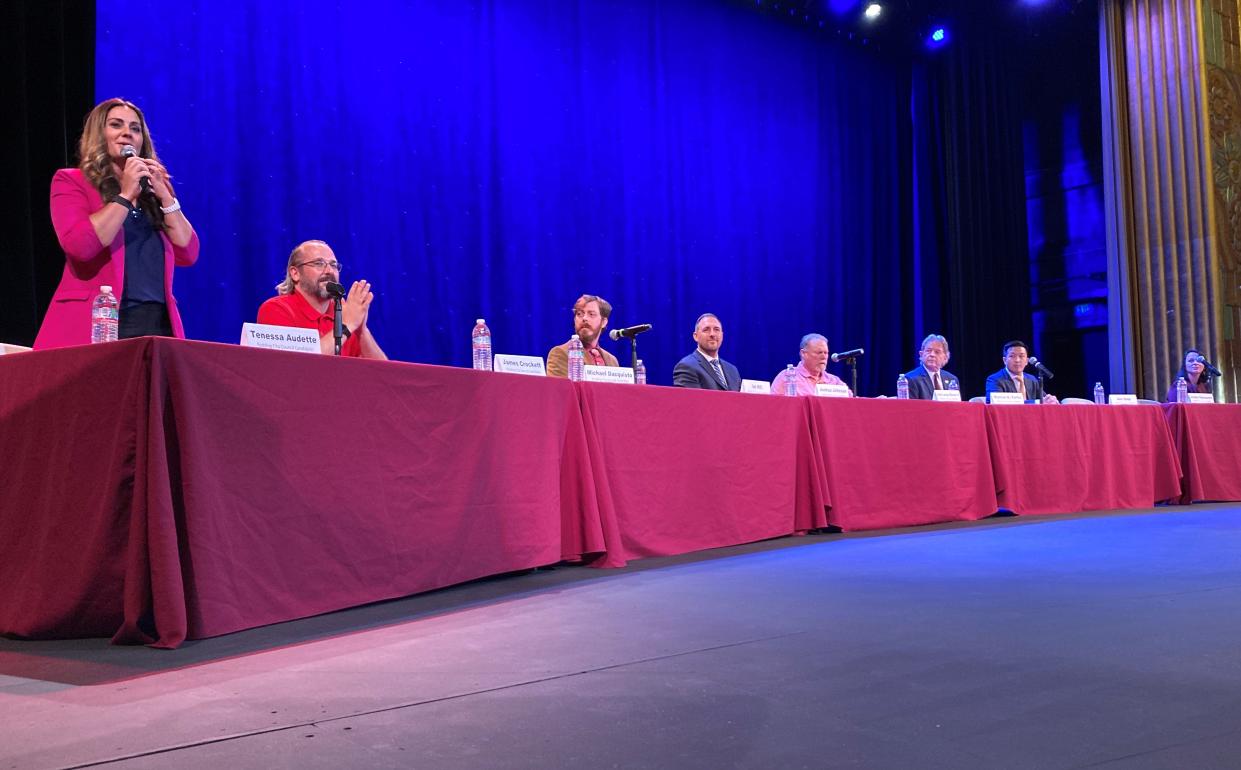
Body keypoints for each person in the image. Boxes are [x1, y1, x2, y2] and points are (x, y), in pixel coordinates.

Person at [35, 98, 199, 349]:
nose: (127, 133)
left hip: (157, 324)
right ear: (99, 134)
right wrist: (124, 196)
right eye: (116, 125)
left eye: (135, 129)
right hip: (101, 321)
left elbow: (188, 252)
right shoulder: (72, 182)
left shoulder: (153, 192)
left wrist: (166, 196)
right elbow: (80, 246)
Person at [257, 240, 387, 359]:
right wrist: (347, 325)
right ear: (295, 273)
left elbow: (384, 376)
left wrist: (361, 329)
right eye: (319, 263)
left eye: (334, 265)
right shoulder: (276, 309)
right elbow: (297, 365)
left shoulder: (343, 314)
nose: (329, 271)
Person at [547, 294, 619, 377]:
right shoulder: (560, 353)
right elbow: (562, 389)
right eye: (579, 314)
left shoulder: (612, 361)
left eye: (591, 314)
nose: (584, 318)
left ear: (603, 322)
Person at [673, 313, 741, 391]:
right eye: (706, 330)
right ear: (696, 336)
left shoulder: (732, 370)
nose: (712, 334)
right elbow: (691, 402)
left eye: (716, 329)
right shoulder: (686, 367)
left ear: (722, 335)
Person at [770, 334, 853, 396]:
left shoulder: (834, 381)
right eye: (819, 352)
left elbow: (852, 402)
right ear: (803, 353)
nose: (824, 357)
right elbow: (774, 407)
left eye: (826, 353)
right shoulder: (786, 376)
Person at [984, 340, 1058, 404]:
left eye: (1021, 356)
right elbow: (994, 403)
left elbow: (1044, 400)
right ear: (1004, 360)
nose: (1017, 360)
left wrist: (1050, 400)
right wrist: (1037, 402)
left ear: (1026, 361)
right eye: (1012, 356)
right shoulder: (995, 379)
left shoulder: (1032, 379)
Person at [903, 334, 960, 399]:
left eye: (937, 352)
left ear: (945, 357)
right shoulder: (911, 379)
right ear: (921, 354)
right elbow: (911, 407)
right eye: (928, 351)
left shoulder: (952, 380)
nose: (932, 354)